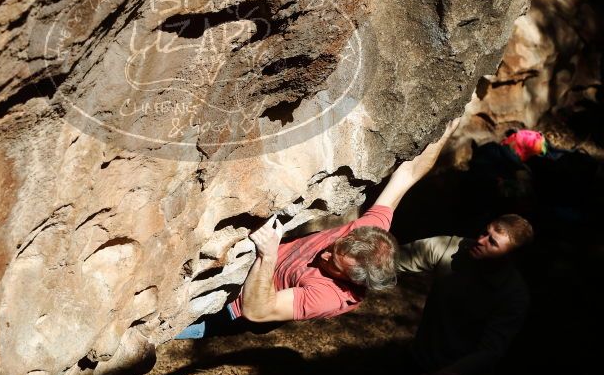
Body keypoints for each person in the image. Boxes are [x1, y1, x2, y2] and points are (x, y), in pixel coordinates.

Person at [175, 119, 460, 339]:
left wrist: (268, 256)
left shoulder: (329, 296)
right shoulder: (369, 231)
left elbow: (257, 310)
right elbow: (407, 175)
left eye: (333, 263)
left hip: (227, 310)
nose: (322, 255)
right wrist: (446, 130)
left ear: (352, 281)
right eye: (332, 248)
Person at [388, 214, 533, 375]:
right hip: (418, 360)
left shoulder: (514, 296)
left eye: (492, 242)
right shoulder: (453, 248)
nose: (481, 241)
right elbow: (395, 261)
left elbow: (489, 351)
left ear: (511, 256)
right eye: (485, 232)